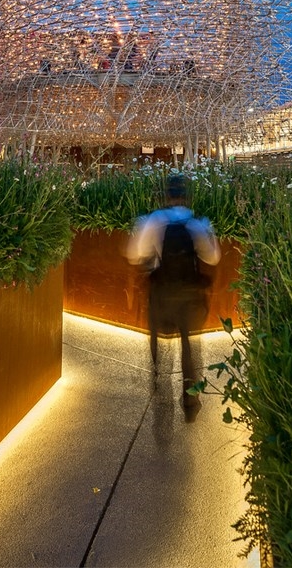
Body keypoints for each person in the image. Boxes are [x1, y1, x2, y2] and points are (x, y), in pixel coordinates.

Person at [126, 174, 220, 414]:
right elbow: (213, 257)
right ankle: (191, 402)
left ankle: (162, 395)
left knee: (160, 346)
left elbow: (134, 254)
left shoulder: (155, 221)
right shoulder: (196, 224)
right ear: (186, 196)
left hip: (162, 294)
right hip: (189, 297)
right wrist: (210, 231)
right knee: (190, 348)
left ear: (166, 196)